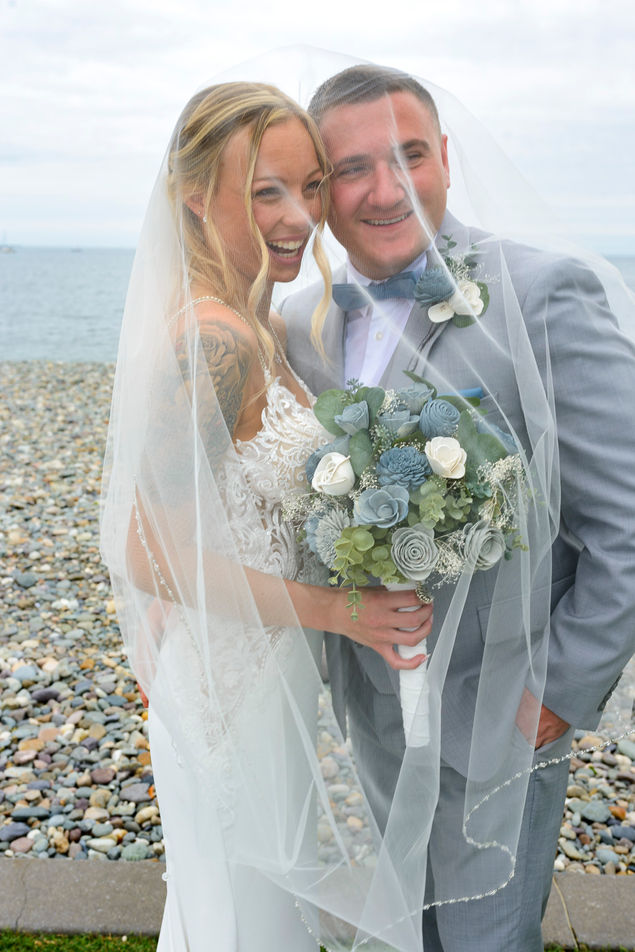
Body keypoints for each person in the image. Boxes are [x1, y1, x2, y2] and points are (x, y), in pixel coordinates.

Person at [281, 63, 635, 951]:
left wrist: (560, 691)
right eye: (352, 168)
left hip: (502, 713)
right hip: (369, 704)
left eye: (407, 156)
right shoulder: (301, 326)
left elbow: (626, 517)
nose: (384, 189)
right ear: (321, 192)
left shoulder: (543, 293)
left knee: (486, 939)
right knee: (410, 931)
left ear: (444, 157)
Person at [100, 79, 436, 952]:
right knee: (237, 916)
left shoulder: (257, 324)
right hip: (225, 691)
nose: (300, 217)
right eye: (266, 192)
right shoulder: (209, 342)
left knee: (252, 910)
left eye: (310, 185)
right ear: (194, 199)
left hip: (264, 666)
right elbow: (147, 554)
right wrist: (339, 611)